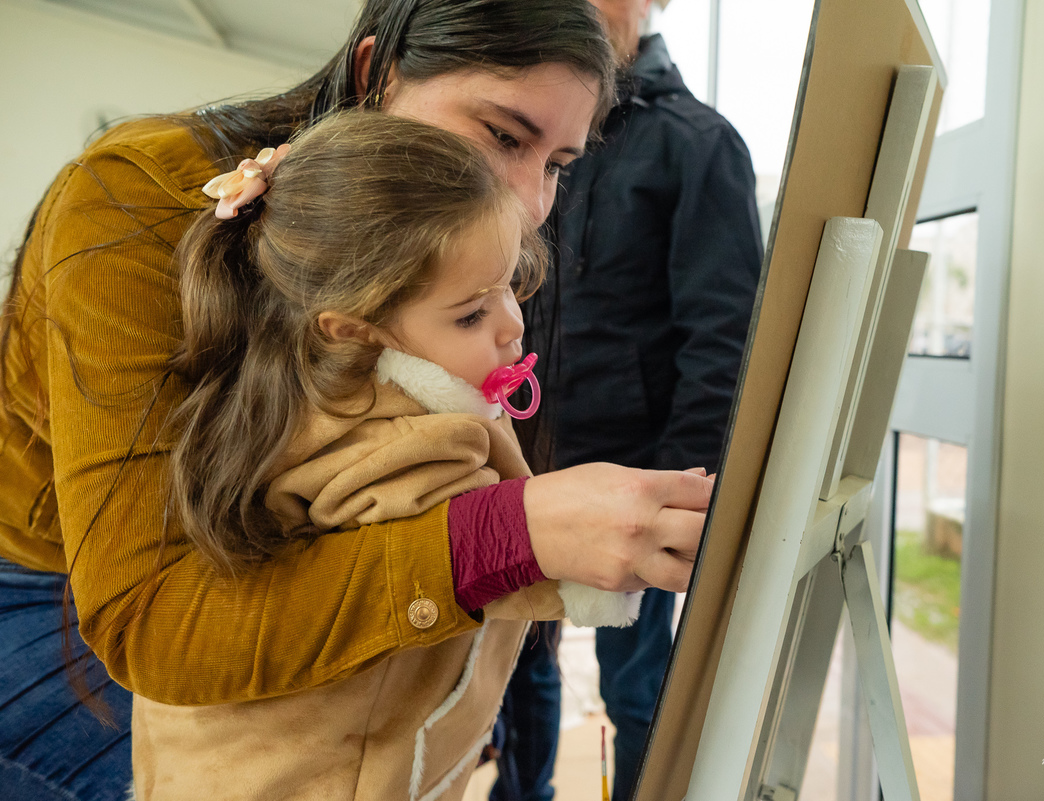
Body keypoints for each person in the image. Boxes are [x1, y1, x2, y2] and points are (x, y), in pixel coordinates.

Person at [0, 2, 713, 799]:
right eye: (504, 137)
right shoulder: (133, 201)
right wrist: (501, 537)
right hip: (54, 589)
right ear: (378, 73)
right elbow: (155, 615)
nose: (527, 202)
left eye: (557, 164)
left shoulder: (468, 237)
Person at [129, 111, 643, 801]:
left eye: (510, 286)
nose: (513, 323)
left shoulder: (294, 392)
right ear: (356, 332)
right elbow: (490, 547)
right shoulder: (401, 435)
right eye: (470, 313)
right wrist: (620, 546)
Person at [496, 2, 763, 800]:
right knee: (512, 670)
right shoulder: (535, 129)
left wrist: (679, 491)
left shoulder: (698, 144)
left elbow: (723, 340)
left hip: (634, 479)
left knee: (637, 692)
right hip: (516, 462)